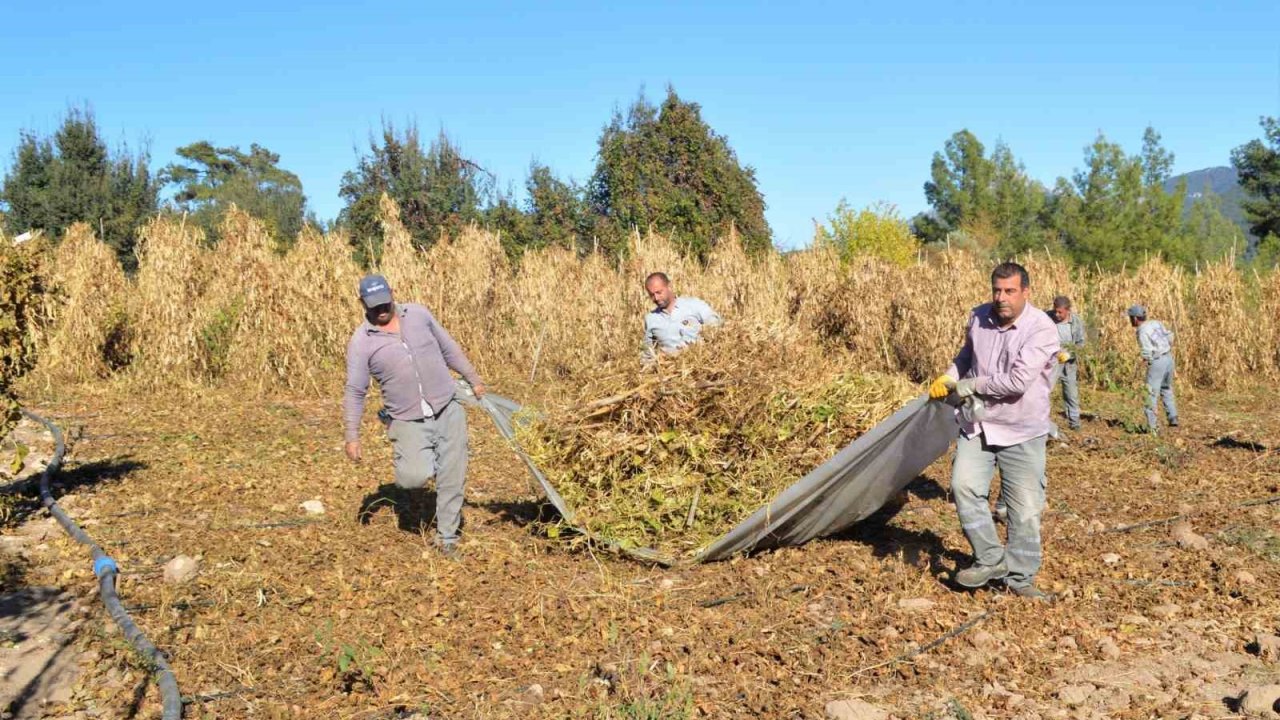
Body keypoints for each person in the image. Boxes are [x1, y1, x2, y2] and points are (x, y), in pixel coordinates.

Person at [928, 262, 1060, 600]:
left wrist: (970, 384)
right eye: (997, 291)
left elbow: (1017, 382)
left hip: (1022, 428)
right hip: (979, 424)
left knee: (1024, 507)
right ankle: (990, 558)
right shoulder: (979, 317)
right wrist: (950, 376)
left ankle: (1020, 579)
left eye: (1010, 291)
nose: (1001, 298)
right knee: (963, 486)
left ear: (1026, 292)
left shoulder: (1041, 329)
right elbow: (966, 356)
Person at [343, 274, 486, 559]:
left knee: (452, 475)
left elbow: (448, 348)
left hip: (447, 407)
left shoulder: (419, 315)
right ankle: (422, 456)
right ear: (362, 304)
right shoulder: (362, 342)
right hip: (406, 417)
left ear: (392, 294)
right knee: (413, 478)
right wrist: (352, 435)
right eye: (374, 306)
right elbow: (355, 390)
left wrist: (472, 377)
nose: (381, 309)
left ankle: (447, 537)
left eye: (385, 302)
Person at [642, 272, 722, 358]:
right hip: (671, 368)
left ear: (669, 286)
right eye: (652, 295)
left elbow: (716, 324)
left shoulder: (694, 305)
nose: (656, 298)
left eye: (659, 292)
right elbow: (648, 354)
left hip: (701, 362)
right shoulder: (651, 319)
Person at [1128, 305, 1178, 434]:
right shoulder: (1156, 323)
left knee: (1150, 393)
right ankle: (1173, 417)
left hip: (1158, 361)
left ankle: (1152, 426)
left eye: (1130, 318)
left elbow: (1146, 351)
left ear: (1134, 318)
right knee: (1166, 387)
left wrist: (1146, 361)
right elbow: (1170, 336)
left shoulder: (1141, 330)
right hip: (1168, 358)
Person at [1049, 296, 1085, 431]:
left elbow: (1081, 344)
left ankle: (1074, 422)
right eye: (1055, 311)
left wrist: (1069, 354)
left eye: (1060, 312)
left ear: (1068, 311)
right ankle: (1041, 421)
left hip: (1068, 363)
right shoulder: (1046, 318)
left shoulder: (1076, 322)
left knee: (1071, 392)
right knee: (1045, 391)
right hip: (1050, 361)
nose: (1056, 314)